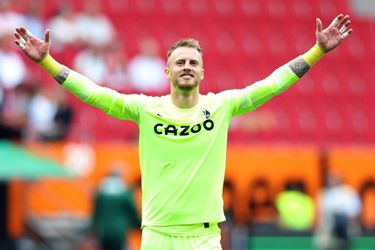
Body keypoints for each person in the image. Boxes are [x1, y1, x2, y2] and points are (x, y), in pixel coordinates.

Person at [14, 14, 352, 249]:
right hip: (157, 235)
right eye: (180, 62)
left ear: (203, 72)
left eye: (192, 62)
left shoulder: (221, 106)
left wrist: (317, 51)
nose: (187, 67)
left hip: (203, 238)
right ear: (167, 71)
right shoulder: (146, 109)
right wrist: (48, 62)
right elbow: (95, 93)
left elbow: (271, 85)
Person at [91, 168, 140, 250]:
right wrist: (139, 226)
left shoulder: (101, 192)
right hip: (120, 230)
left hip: (104, 230)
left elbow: (96, 213)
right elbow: (132, 213)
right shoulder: (125, 192)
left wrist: (93, 229)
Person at [314, 170, 362, 250]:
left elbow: (354, 213)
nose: (331, 181)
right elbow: (319, 214)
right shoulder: (323, 193)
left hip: (344, 232)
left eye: (333, 178)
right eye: (329, 178)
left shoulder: (348, 192)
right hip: (328, 231)